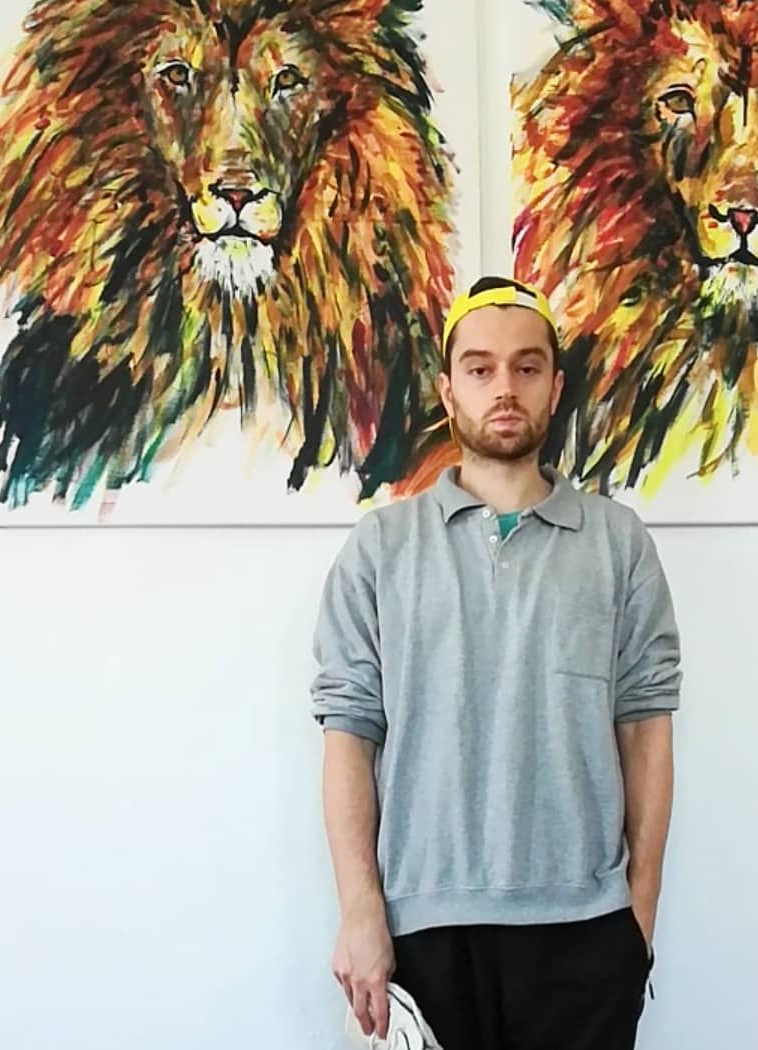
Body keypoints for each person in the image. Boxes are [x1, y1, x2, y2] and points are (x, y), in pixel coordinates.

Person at [311, 276, 682, 1050]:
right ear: (449, 391)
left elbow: (645, 727)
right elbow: (348, 733)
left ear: (555, 386)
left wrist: (637, 917)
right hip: (421, 929)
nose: (504, 388)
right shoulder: (381, 548)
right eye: (479, 369)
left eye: (526, 366)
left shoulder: (618, 543)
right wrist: (360, 911)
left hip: (585, 930)